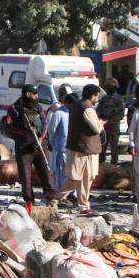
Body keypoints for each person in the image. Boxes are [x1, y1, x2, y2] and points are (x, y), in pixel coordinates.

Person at [4, 85, 55, 208]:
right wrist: (24, 132)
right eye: (34, 94)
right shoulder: (14, 108)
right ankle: (29, 202)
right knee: (26, 178)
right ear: (27, 94)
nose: (37, 96)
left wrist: (41, 137)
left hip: (39, 145)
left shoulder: (38, 107)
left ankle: (51, 199)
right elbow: (8, 126)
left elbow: (45, 123)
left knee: (46, 173)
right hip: (23, 148)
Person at [56, 84, 104, 213]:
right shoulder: (87, 109)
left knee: (76, 178)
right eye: (96, 95)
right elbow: (96, 128)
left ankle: (57, 199)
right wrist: (101, 122)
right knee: (83, 178)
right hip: (85, 149)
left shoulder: (76, 105)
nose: (97, 98)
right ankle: (83, 206)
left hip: (78, 147)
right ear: (93, 95)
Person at [47, 93, 72, 192]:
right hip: (60, 147)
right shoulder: (58, 113)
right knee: (60, 170)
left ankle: (69, 192)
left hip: (70, 147)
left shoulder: (72, 112)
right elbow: (52, 129)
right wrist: (51, 142)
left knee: (69, 171)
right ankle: (60, 192)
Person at [97, 81, 125, 164]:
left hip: (113, 126)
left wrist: (111, 122)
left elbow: (121, 114)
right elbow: (99, 110)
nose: (108, 89)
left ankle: (114, 164)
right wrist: (101, 120)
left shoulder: (119, 99)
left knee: (114, 147)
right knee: (102, 146)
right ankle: (101, 164)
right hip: (103, 125)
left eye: (110, 87)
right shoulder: (104, 98)